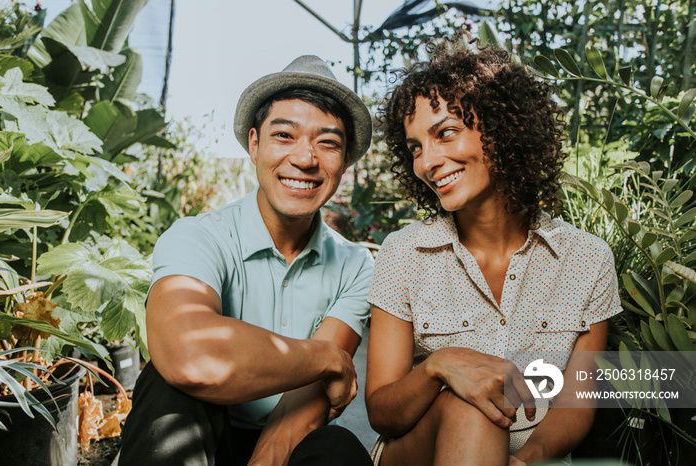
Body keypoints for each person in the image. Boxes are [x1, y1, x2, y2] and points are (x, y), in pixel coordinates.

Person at [365, 34, 622, 466]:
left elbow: (576, 401)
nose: (427, 162)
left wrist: (529, 458)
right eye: (415, 148)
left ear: (503, 130)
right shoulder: (403, 254)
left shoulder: (586, 259)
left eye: (445, 133)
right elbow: (382, 414)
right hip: (416, 452)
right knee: (475, 405)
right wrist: (438, 366)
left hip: (525, 458)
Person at [118, 55, 375, 466]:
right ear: (254, 144)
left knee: (339, 449)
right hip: (200, 436)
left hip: (285, 442)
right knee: (166, 389)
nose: (305, 159)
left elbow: (311, 397)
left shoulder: (355, 265)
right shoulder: (198, 237)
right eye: (284, 136)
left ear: (344, 162)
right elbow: (190, 353)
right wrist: (326, 357)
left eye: (328, 143)